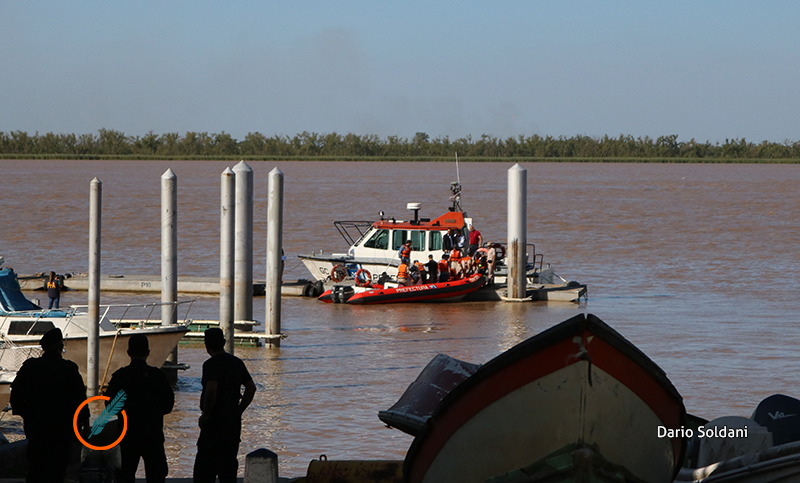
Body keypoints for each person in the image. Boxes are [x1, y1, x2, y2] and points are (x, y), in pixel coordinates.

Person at [11, 328, 89, 483]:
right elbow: (80, 401)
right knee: (57, 471)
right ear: (60, 347)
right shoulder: (69, 369)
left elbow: (16, 396)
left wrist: (28, 416)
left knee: (35, 469)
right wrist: (84, 427)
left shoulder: (30, 367)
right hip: (62, 430)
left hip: (37, 429)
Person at [105, 334, 174, 483]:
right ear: (148, 352)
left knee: (125, 475)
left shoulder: (120, 376)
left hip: (128, 434)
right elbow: (168, 406)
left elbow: (110, 407)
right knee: (156, 476)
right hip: (153, 433)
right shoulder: (158, 376)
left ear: (128, 353)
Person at [194, 328, 257, 483]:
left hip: (214, 422)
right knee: (228, 468)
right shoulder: (236, 363)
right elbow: (251, 388)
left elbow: (211, 389)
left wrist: (206, 414)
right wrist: (239, 410)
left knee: (204, 470)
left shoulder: (210, 364)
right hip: (232, 422)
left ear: (206, 345)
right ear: (223, 343)